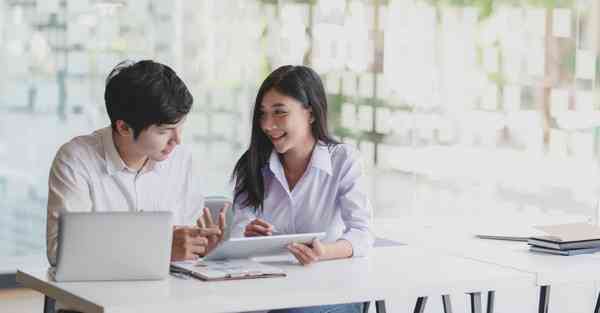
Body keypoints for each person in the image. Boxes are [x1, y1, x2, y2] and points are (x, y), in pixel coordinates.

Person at [46, 60, 227, 271]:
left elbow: (185, 243)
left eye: (180, 126)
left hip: (169, 294)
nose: (177, 140)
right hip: (98, 297)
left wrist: (201, 247)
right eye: (164, 131)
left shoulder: (181, 159)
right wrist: (158, 249)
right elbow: (60, 252)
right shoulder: (76, 160)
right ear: (123, 127)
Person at [230, 65, 373, 313]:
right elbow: (238, 230)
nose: (267, 124)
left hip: (329, 289)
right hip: (266, 289)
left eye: (280, 112)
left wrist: (324, 252)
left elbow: (362, 233)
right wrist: (247, 234)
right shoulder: (253, 163)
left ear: (311, 113)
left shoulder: (344, 160)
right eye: (263, 114)